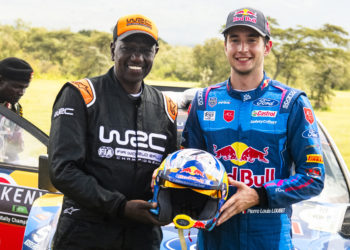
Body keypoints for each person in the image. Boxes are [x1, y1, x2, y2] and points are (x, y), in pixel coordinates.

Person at [181, 7, 325, 250]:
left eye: (252, 40)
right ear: (225, 46)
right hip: (215, 238)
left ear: (266, 47)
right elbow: (187, 168)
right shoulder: (204, 101)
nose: (242, 49)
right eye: (234, 40)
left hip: (270, 239)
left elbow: (313, 177)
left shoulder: (291, 103)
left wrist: (260, 194)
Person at [49, 14, 178, 250]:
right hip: (85, 235)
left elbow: (170, 174)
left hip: (143, 237)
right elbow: (62, 169)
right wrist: (119, 206)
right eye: (127, 47)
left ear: (155, 53)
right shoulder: (81, 94)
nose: (137, 57)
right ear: (112, 49)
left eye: (145, 50)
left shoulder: (166, 108)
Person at [0, 57, 33, 162]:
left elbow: (14, 151)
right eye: (17, 87)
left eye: (25, 88)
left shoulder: (15, 108)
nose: (21, 92)